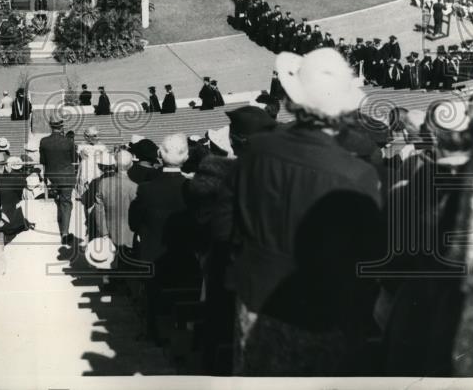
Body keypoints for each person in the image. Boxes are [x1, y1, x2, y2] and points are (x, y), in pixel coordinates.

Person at [231, 48, 383, 376]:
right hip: (322, 313)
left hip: (257, 300)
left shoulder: (256, 149)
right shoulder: (357, 174)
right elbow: (368, 259)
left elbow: (240, 219)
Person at [129, 135, 202, 344]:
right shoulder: (192, 188)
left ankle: (153, 333)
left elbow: (134, 222)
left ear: (160, 155)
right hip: (185, 253)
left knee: (153, 297)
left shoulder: (146, 189)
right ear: (186, 157)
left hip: (153, 253)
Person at [38, 116, 78, 246]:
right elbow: (73, 159)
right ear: (62, 126)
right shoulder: (69, 142)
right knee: (66, 203)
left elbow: (43, 161)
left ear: (50, 125)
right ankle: (65, 233)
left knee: (59, 200)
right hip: (67, 176)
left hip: (52, 177)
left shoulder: (43, 141)